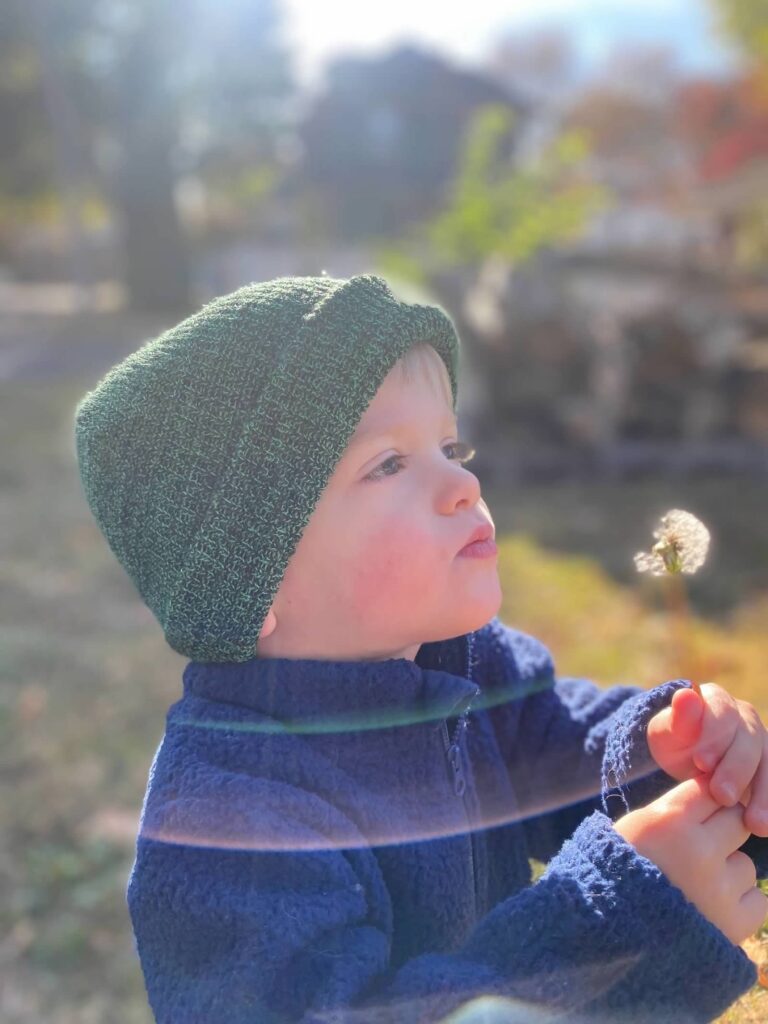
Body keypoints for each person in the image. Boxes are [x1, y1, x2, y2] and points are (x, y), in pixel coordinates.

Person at [73, 273, 768, 1024]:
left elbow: (553, 741)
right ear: (252, 586)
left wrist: (666, 755)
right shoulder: (230, 822)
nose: (462, 483)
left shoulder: (455, 661)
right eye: (389, 464)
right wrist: (624, 913)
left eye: (449, 443)